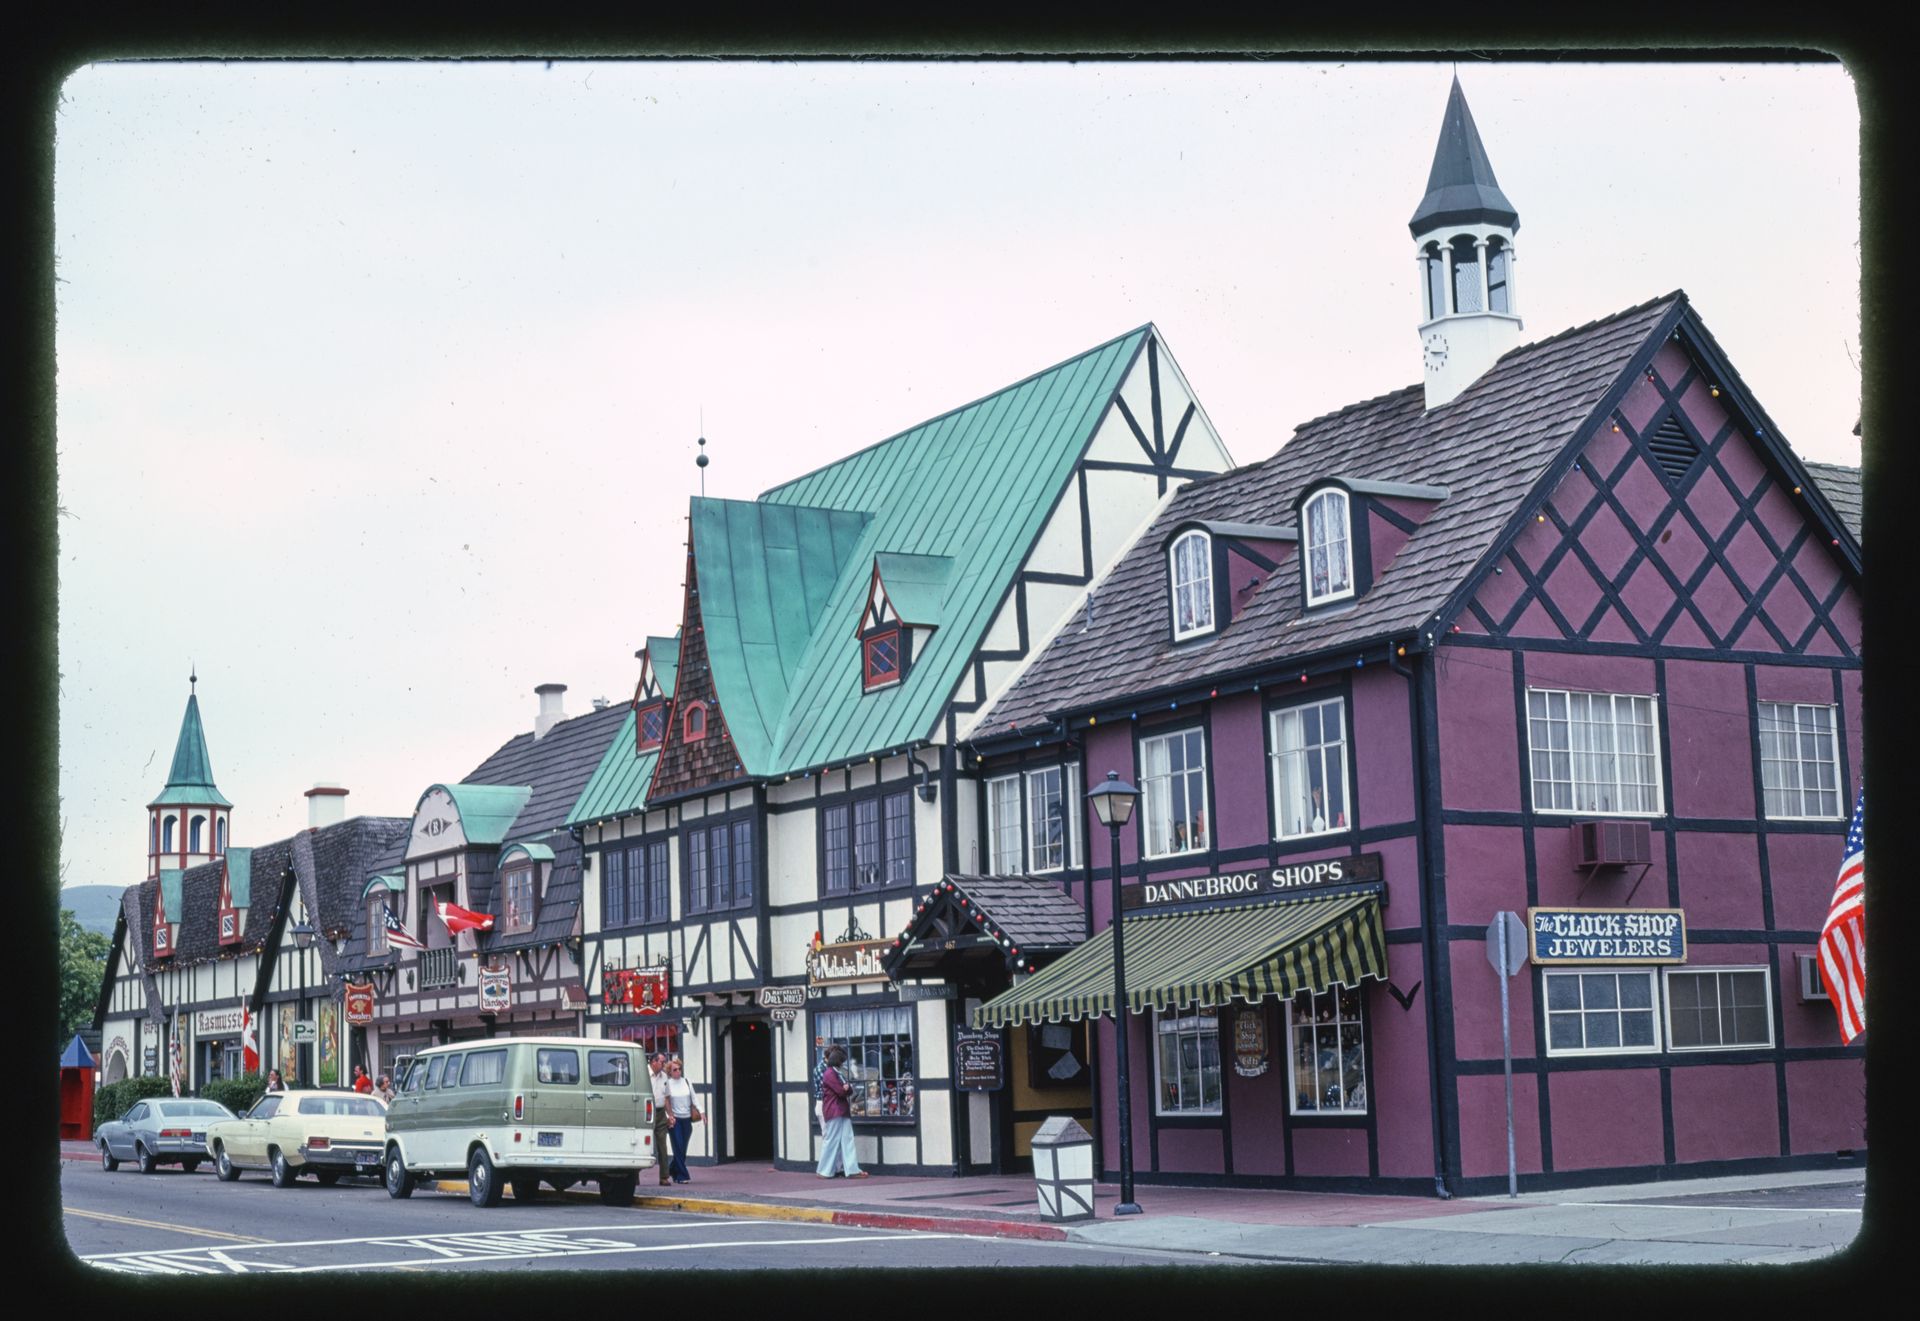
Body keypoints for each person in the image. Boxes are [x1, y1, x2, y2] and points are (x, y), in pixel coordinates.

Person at [815, 1046, 867, 1179]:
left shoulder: (836, 1072)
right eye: (841, 1061)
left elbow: (848, 1090)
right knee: (832, 1139)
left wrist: (847, 1088)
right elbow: (841, 1091)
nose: (843, 1063)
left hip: (840, 1110)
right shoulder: (830, 1074)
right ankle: (823, 1170)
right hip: (835, 1109)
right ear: (837, 1061)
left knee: (847, 1139)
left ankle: (851, 1169)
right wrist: (847, 1089)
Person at [663, 1057, 699, 1185]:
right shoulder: (668, 1084)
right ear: (670, 1072)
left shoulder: (687, 1082)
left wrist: (702, 1112)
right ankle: (683, 1175)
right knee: (677, 1146)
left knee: (682, 1149)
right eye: (675, 1070)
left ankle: (672, 1169)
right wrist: (669, 1117)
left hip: (687, 1120)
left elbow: (694, 1098)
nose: (678, 1071)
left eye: (679, 1069)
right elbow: (665, 1102)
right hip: (675, 1120)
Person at [648, 1051, 675, 1186]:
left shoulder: (664, 1076)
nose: (664, 1064)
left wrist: (670, 1115)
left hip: (659, 1113)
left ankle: (664, 1176)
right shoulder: (645, 1075)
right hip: (646, 1112)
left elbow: (667, 1098)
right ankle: (635, 1176)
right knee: (644, 1146)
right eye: (662, 1062)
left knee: (662, 1146)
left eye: (665, 1062)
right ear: (653, 1062)